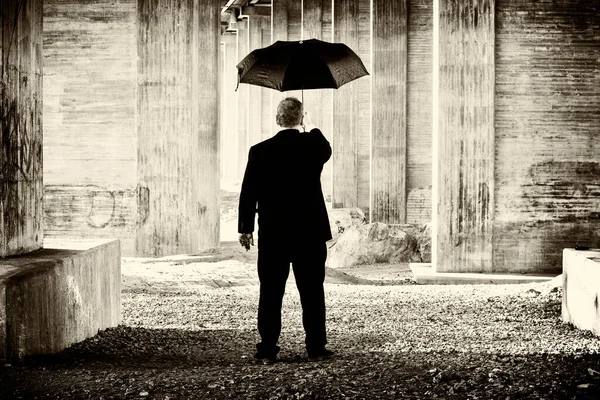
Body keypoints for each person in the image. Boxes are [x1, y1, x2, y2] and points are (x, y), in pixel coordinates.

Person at [238, 97, 334, 365]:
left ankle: (268, 349)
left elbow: (249, 193)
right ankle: (316, 347)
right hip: (309, 234)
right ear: (300, 119)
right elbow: (325, 149)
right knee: (312, 290)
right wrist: (311, 125)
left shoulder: (260, 151)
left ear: (277, 119)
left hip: (273, 233)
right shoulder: (311, 148)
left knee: (270, 291)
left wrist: (245, 228)